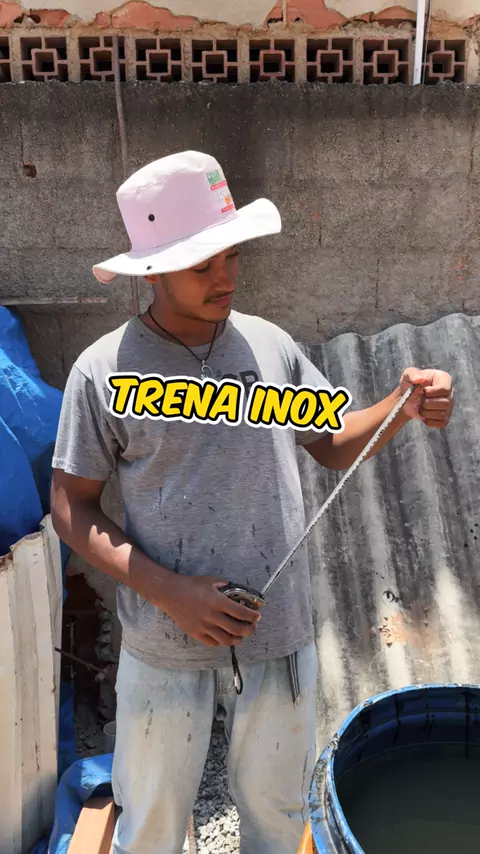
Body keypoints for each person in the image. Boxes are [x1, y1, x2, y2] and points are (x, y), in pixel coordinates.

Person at [51, 151, 454, 854]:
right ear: (152, 272)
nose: (226, 277)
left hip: (279, 632)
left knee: (277, 815)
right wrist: (170, 591)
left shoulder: (270, 347)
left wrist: (402, 404)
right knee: (150, 824)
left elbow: (332, 443)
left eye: (232, 256)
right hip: (162, 639)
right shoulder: (103, 371)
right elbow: (70, 507)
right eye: (202, 264)